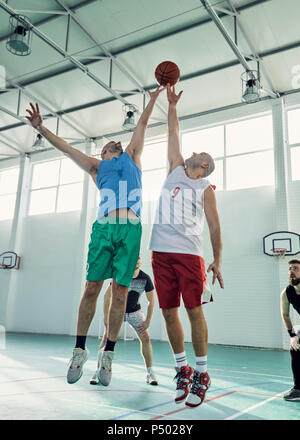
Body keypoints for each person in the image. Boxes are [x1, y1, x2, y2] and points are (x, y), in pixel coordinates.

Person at [25, 86, 165, 387]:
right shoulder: (95, 167)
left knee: (119, 293)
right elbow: (65, 148)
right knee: (91, 288)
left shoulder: (132, 157)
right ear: (102, 152)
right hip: (103, 228)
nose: (115, 140)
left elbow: (141, 126)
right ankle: (79, 350)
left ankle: (108, 355)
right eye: (109, 143)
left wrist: (152, 100)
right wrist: (42, 128)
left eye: (116, 140)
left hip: (130, 229)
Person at [149, 84, 224, 408]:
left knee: (193, 310)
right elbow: (173, 134)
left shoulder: (206, 187)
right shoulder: (175, 168)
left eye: (201, 154)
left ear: (205, 165)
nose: (195, 151)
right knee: (167, 312)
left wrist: (217, 260)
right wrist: (172, 106)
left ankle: (202, 374)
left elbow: (215, 226)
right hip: (160, 252)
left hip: (190, 255)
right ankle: (182, 369)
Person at [90, 256, 158, 386]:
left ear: (140, 261)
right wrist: (106, 317)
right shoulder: (120, 275)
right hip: (117, 312)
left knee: (146, 338)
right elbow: (107, 296)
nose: (136, 261)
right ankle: (98, 371)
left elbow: (151, 301)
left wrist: (148, 320)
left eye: (138, 259)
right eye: (134, 259)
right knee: (106, 339)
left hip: (135, 313)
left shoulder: (145, 278)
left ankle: (150, 373)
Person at [280, 259, 300, 401]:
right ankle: (298, 389)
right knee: (295, 347)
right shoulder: (286, 293)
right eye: (290, 269)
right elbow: (285, 315)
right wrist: (293, 335)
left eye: (296, 268)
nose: (291, 271)